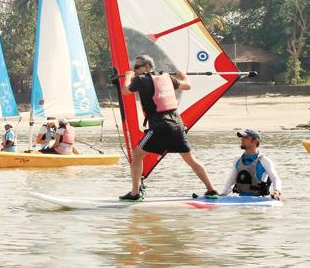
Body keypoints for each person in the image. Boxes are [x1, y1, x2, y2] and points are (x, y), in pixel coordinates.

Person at [119, 55, 218, 201]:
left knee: (137, 155)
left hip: (160, 126)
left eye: (136, 67)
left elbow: (126, 91)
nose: (134, 70)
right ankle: (211, 190)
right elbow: (188, 85)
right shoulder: (167, 78)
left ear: (147, 67)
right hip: (177, 125)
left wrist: (127, 77)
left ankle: (134, 193)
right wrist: (184, 76)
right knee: (190, 159)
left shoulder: (140, 79)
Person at [220, 129, 282, 200]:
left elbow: (275, 179)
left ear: (255, 141)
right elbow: (231, 180)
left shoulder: (264, 160)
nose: (242, 140)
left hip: (259, 202)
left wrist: (276, 191)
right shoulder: (237, 160)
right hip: (240, 201)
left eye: (245, 138)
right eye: (242, 137)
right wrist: (223, 193)